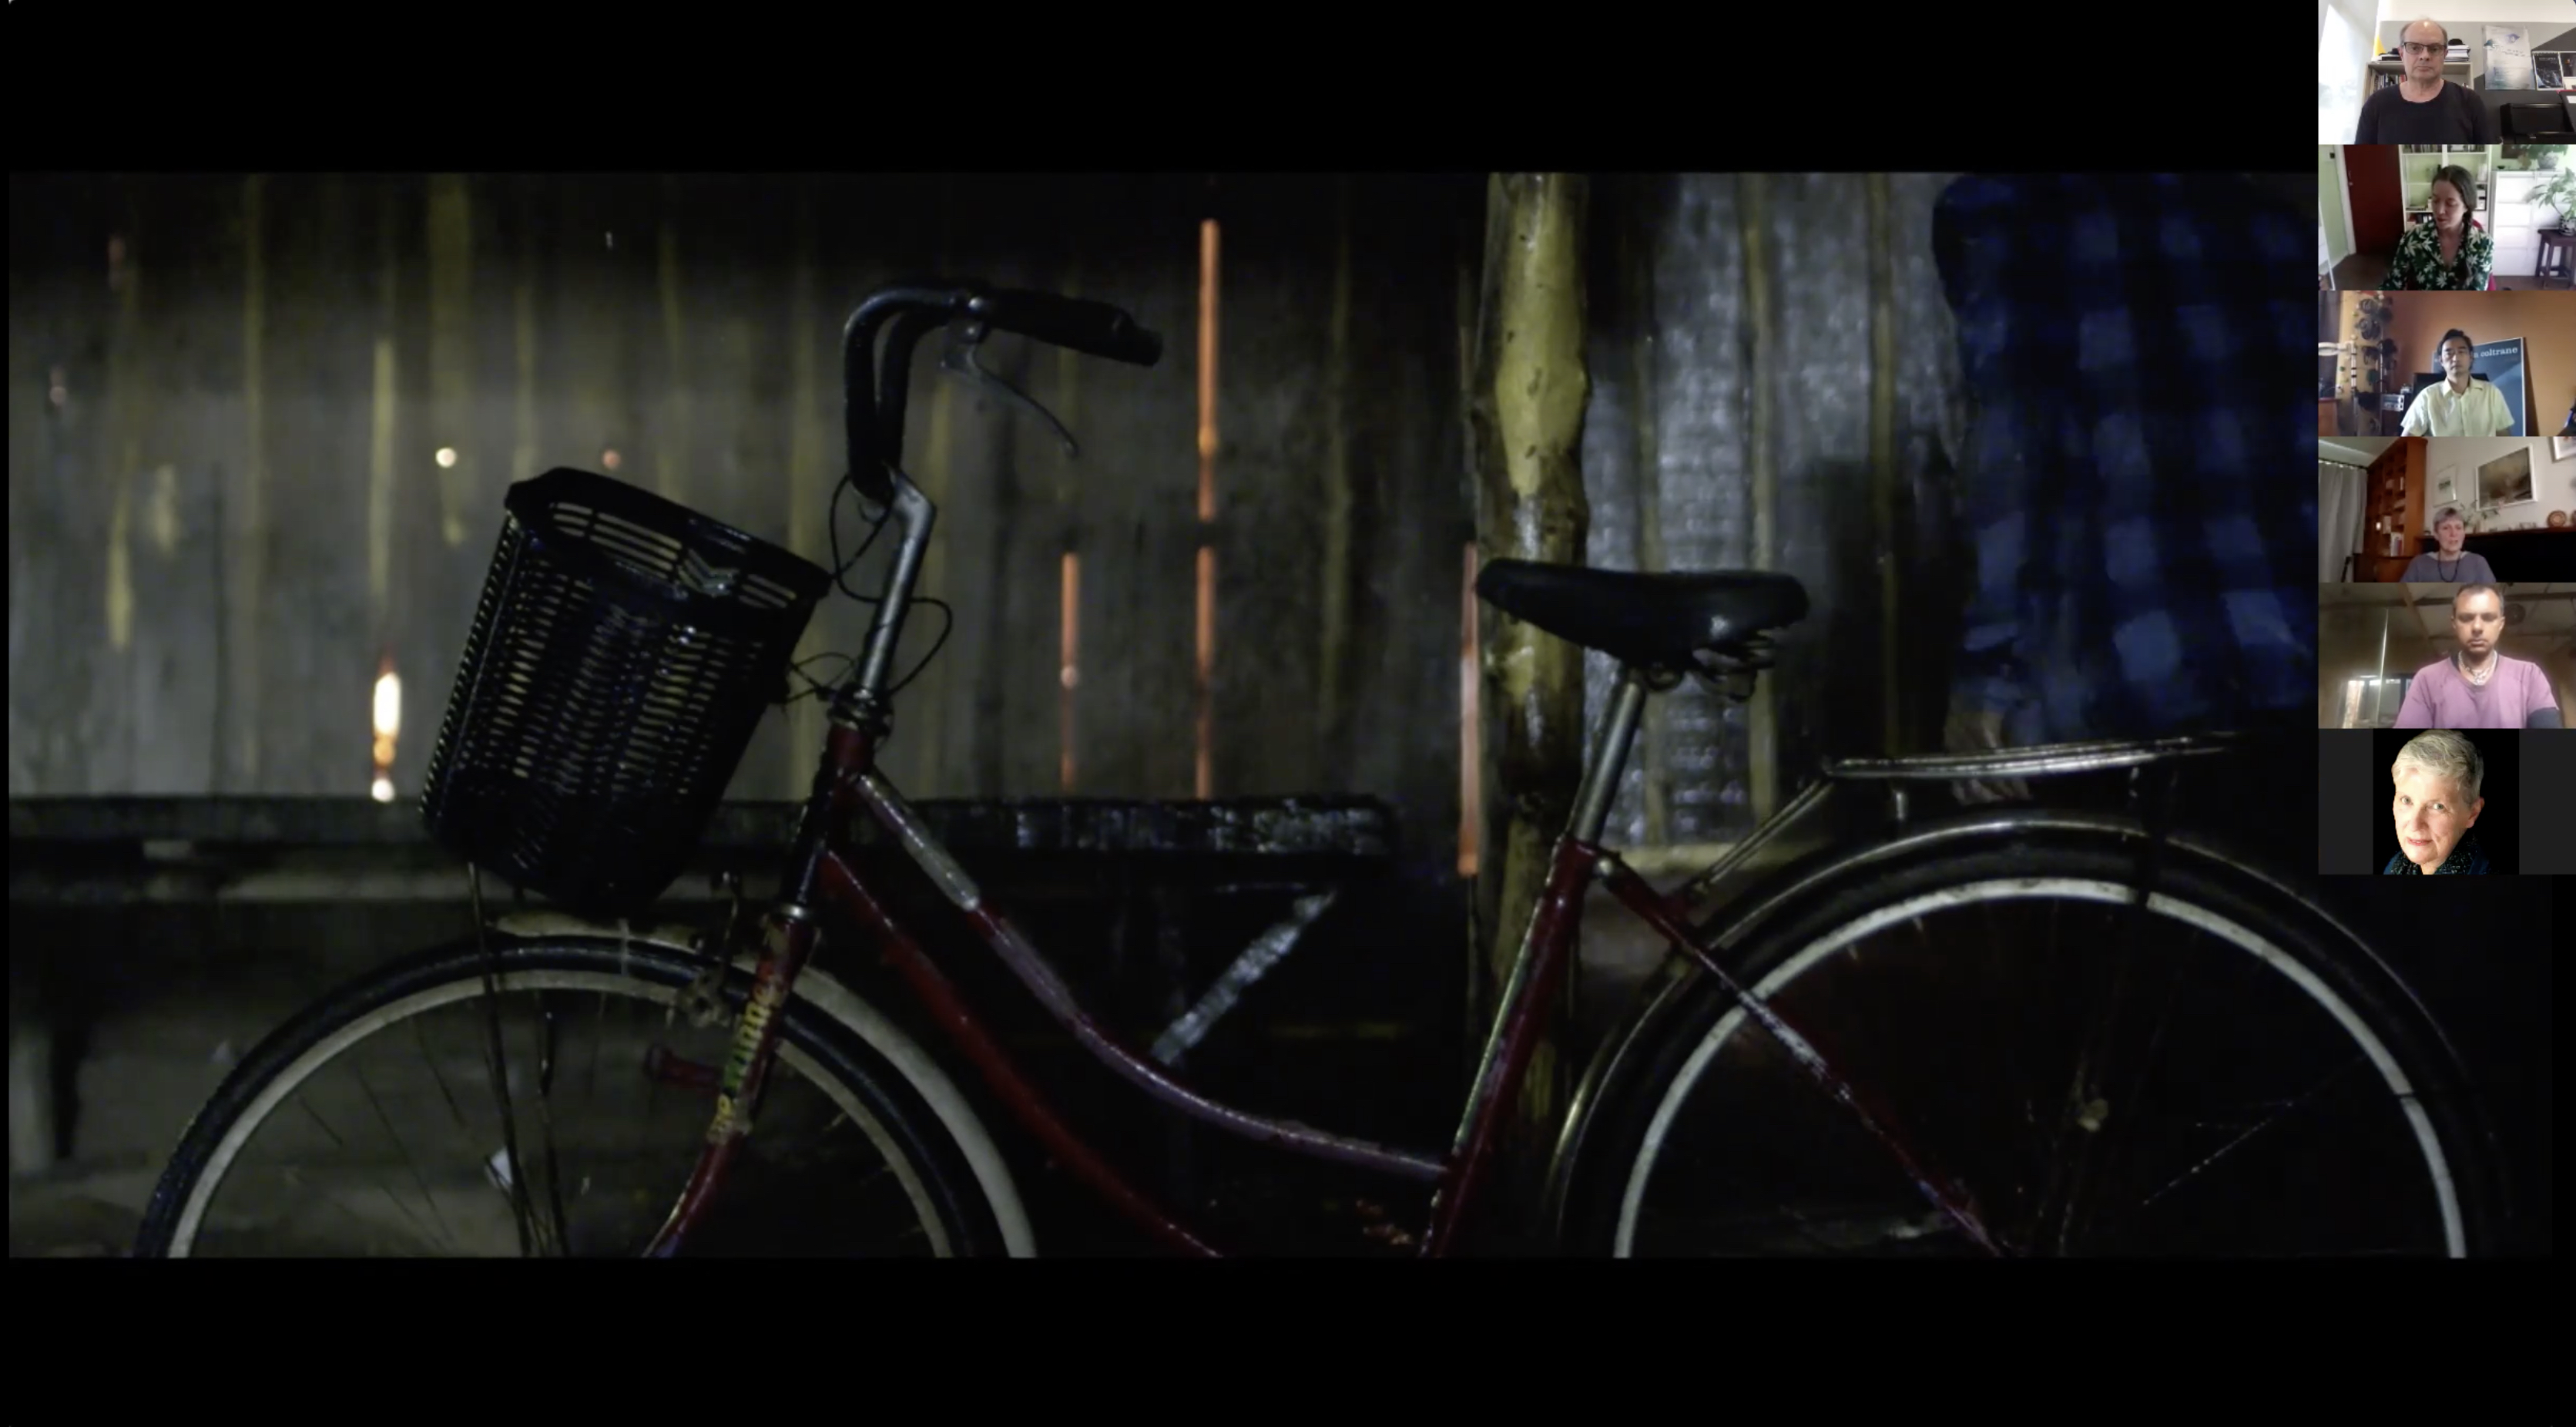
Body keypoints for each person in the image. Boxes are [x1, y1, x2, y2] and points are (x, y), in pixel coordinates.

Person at [1930, 173, 2315, 817]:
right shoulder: (2275, 223)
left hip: (2134, 674)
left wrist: (1988, 683)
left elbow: (2017, 463)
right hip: (2305, 660)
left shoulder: (2014, 211)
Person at [2393, 583, 2564, 729]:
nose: (2477, 627)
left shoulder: (2529, 676)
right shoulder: (2427, 680)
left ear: (2501, 624)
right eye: (2466, 618)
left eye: (2488, 618)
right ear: (2454, 624)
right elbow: (2410, 752)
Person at [2355, 18, 2500, 144]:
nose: (2425, 56)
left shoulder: (2470, 102)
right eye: (2414, 47)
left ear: (2445, 55)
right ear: (2401, 53)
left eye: (2434, 49)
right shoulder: (2376, 104)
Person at [2382, 729, 2491, 875]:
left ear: (2472, 813)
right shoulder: (2396, 866)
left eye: (2437, 807)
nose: (2414, 825)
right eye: (2406, 800)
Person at [2378, 165, 2492, 291]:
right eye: (2435, 201)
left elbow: (2477, 294)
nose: (2440, 210)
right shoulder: (2413, 239)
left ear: (2466, 206)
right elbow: (2393, 285)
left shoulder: (2483, 244)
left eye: (2450, 204)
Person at [2398, 329, 2515, 438]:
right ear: (2441, 360)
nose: (2455, 359)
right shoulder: (2427, 397)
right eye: (2449, 353)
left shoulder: (2491, 393)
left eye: (2461, 352)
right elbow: (2406, 443)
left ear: (2471, 357)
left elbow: (2504, 438)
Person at [2399, 506, 2497, 583]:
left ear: (2464, 534)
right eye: (2446, 528)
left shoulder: (2478, 562)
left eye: (2458, 528)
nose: (2453, 534)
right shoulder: (2418, 564)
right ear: (2436, 534)